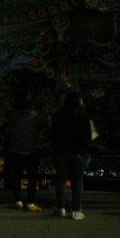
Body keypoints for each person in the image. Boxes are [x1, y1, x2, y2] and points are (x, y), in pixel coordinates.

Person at [50, 92, 91, 220]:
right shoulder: (83, 118)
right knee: (78, 181)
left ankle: (61, 208)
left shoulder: (58, 116)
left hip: (61, 152)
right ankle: (76, 210)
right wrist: (84, 151)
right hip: (77, 153)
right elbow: (87, 137)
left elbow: (53, 135)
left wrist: (55, 150)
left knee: (61, 180)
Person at [4, 94, 45, 212]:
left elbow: (7, 129)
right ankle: (30, 203)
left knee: (16, 176)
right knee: (32, 177)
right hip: (31, 150)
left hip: (15, 150)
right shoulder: (37, 118)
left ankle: (18, 201)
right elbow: (42, 131)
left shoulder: (13, 116)